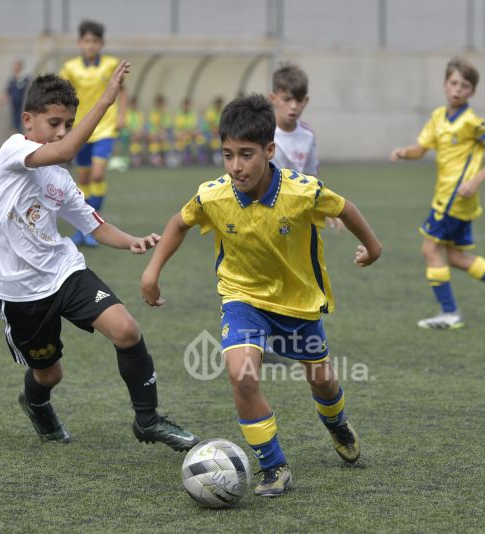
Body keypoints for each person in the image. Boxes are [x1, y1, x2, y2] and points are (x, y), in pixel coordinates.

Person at [140, 95, 382, 497]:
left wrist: (373, 247)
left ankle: (337, 423)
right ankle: (274, 467)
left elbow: (345, 208)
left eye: (247, 155)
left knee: (322, 381)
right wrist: (152, 272)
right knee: (242, 375)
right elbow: (179, 222)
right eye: (228, 155)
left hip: (298, 303)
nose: (236, 166)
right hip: (242, 298)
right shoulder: (214, 196)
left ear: (270, 151)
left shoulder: (302, 192)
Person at [0, 62, 199, 451]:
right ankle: (36, 402)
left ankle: (147, 421)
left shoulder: (60, 180)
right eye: (54, 122)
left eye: (68, 123)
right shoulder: (13, 150)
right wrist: (107, 100)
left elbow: (95, 226)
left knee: (127, 330)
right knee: (49, 374)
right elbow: (66, 149)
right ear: (27, 121)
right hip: (18, 290)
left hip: (63, 271)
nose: (62, 131)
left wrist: (131, 240)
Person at [390, 56, 485, 330]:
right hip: (448, 198)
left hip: (455, 199)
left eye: (465, 85)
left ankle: (450, 313)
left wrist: (476, 181)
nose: (458, 89)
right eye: (454, 83)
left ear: (472, 92)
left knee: (429, 248)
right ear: (445, 85)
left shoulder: (473, 123)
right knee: (455, 257)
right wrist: (403, 152)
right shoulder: (437, 118)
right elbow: (421, 149)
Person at [59, 19, 127, 248]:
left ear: (101, 43)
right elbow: (62, 94)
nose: (90, 45)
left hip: (105, 127)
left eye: (95, 41)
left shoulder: (110, 65)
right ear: (80, 43)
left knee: (97, 175)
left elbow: (122, 89)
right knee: (84, 178)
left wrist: (122, 115)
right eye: (86, 41)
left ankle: (92, 228)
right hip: (80, 129)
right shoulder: (70, 68)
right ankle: (83, 229)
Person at [269, 62, 344, 232]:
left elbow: (311, 177)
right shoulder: (263, 132)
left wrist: (329, 207)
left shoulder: (307, 136)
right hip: (265, 210)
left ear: (306, 101)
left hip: (297, 212)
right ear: (273, 99)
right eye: (287, 99)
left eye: (299, 100)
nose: (294, 106)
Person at [0, 59, 30, 133]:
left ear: (20, 67)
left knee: (23, 125)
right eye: (14, 66)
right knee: (15, 126)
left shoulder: (25, 79)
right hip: (15, 108)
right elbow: (7, 92)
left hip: (23, 108)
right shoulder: (12, 80)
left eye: (17, 66)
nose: (15, 68)